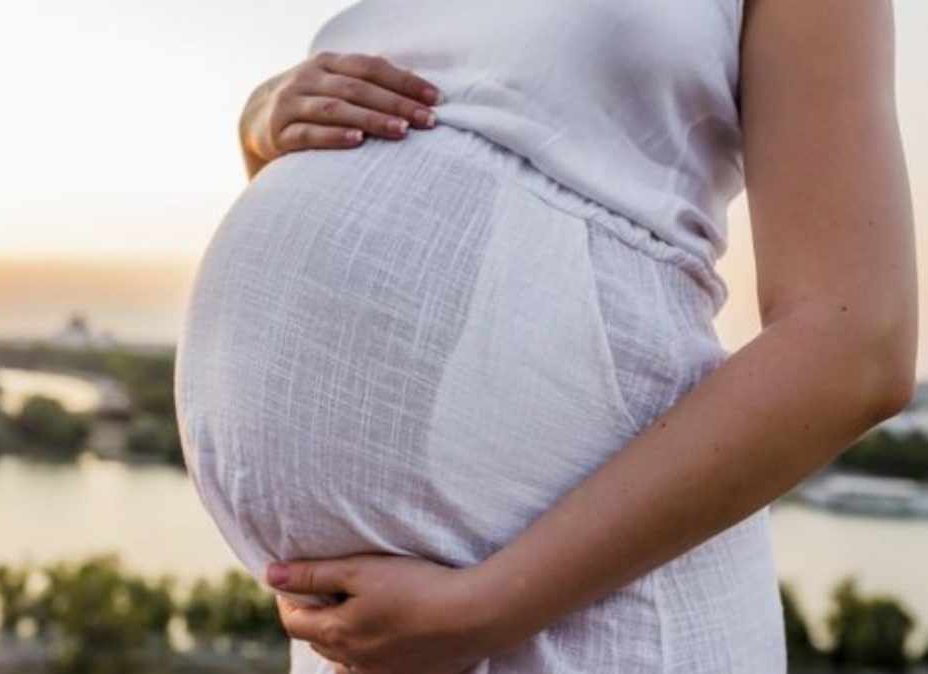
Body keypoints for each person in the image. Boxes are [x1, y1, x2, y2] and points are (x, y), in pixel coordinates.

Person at [174, 0, 918, 672]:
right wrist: (264, 121)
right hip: (374, 632)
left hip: (579, 618)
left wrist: (484, 610)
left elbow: (857, 342)